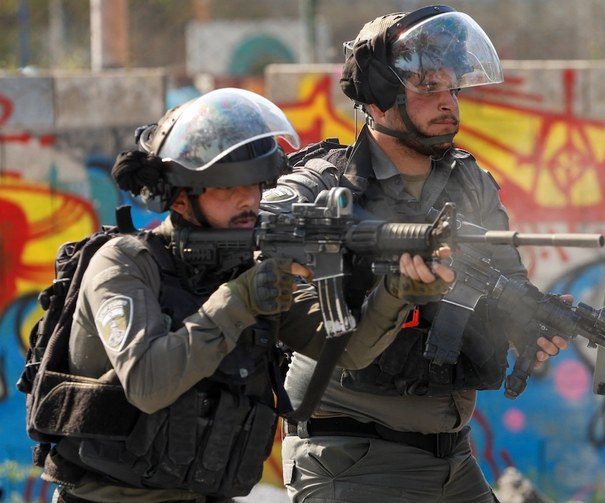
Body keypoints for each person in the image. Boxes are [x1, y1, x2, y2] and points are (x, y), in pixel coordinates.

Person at [41, 88, 456, 503]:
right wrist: (239, 300)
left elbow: (348, 351)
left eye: (255, 186)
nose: (249, 201)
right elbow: (148, 384)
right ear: (181, 198)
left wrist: (396, 291)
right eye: (226, 189)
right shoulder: (125, 264)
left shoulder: (250, 265)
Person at [261, 6, 570, 503]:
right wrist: (384, 275)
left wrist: (529, 326)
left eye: (453, 88)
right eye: (428, 87)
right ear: (380, 98)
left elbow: (506, 285)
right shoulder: (325, 186)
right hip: (353, 461)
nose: (449, 102)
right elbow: (272, 239)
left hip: (455, 462)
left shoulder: (471, 184)